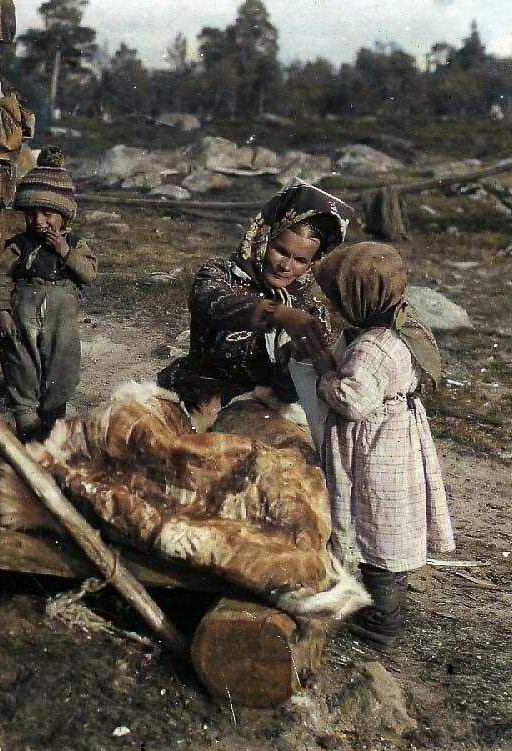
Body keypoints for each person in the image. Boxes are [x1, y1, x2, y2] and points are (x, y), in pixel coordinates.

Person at [313, 242, 456, 650]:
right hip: (397, 438)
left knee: (375, 526)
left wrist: (325, 374)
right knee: (390, 525)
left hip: (374, 446)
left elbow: (352, 400)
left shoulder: (373, 347)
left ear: (360, 297)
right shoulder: (401, 323)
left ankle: (384, 619)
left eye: (340, 300)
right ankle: (387, 607)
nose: (337, 309)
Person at [158, 180, 356, 412]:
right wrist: (277, 313)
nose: (286, 266)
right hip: (196, 396)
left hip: (262, 410)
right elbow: (209, 301)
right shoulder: (219, 275)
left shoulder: (311, 310)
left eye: (301, 260)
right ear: (263, 238)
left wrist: (293, 358)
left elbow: (305, 382)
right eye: (281, 251)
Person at [0, 147, 97, 442]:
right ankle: (26, 424)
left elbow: (88, 274)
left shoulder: (75, 244)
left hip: (61, 317)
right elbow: (0, 278)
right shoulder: (18, 246)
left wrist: (65, 251)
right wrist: (2, 312)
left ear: (63, 215)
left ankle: (52, 423)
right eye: (32, 213)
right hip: (22, 312)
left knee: (62, 367)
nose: (39, 221)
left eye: (48, 213)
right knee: (20, 363)